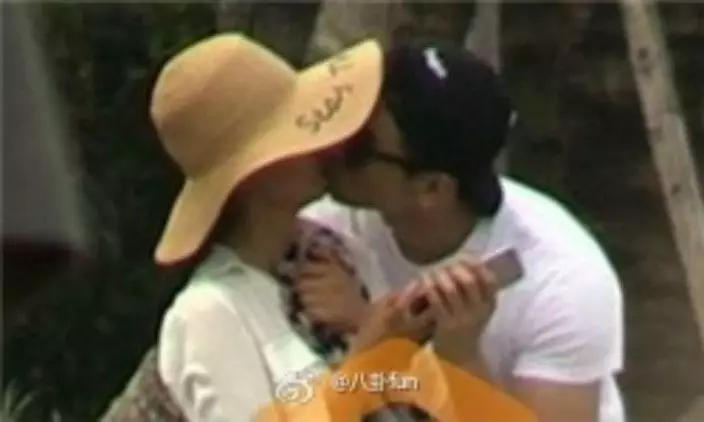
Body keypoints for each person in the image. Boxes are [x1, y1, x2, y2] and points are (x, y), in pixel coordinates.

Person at [144, 33, 507, 422]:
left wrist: (457, 349)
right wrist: (364, 362)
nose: (327, 142)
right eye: (297, 130)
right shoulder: (208, 315)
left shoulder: (338, 254)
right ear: (256, 174)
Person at [300, 40, 625, 422]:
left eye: (359, 146)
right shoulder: (327, 221)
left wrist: (459, 356)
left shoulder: (561, 281)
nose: (334, 144)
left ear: (431, 189)